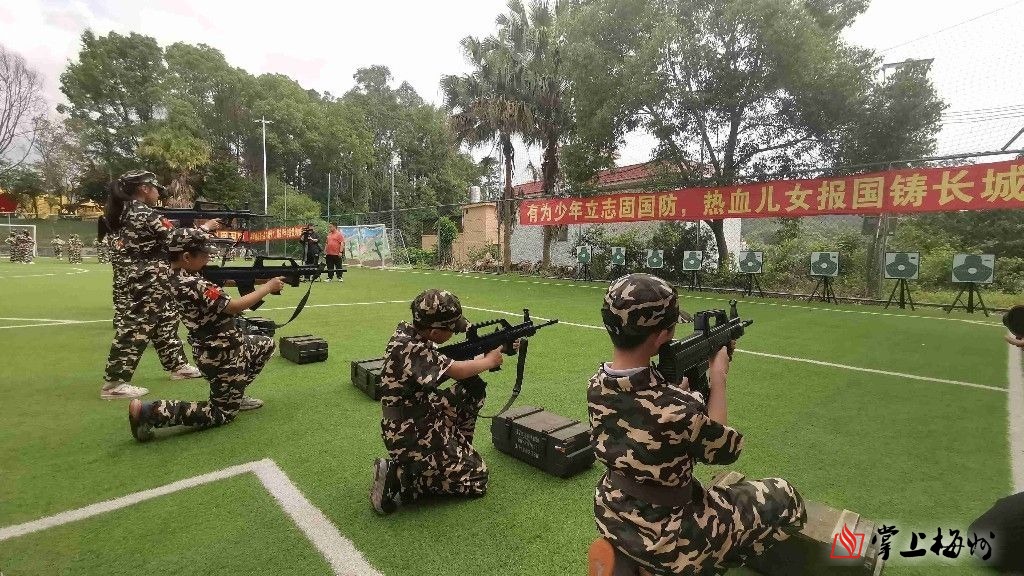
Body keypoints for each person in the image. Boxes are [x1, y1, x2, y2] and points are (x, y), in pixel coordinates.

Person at [587, 274, 806, 576]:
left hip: (613, 511)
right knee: (786, 497)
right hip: (669, 537)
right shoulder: (678, 407)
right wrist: (719, 379)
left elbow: (645, 411)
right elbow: (725, 450)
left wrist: (679, 394)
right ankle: (699, 563)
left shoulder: (597, 385)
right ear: (662, 336)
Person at [127, 228, 280, 442]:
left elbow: (213, 291)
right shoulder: (196, 284)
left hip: (214, 348)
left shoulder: (175, 277)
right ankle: (151, 412)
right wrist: (268, 287)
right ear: (186, 257)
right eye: (204, 254)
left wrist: (248, 280)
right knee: (222, 414)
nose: (208, 257)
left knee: (265, 344)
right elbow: (234, 306)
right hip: (223, 354)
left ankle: (235, 393)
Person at [370, 289, 502, 515]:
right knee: (477, 478)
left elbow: (448, 367)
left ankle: (451, 454)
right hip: (409, 433)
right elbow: (458, 370)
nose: (455, 331)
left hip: (419, 415)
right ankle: (401, 477)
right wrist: (490, 361)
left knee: (469, 391)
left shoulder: (411, 335)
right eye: (452, 329)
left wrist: (499, 347)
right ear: (434, 331)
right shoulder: (411, 348)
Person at [99, 169, 216, 400]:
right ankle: (114, 383)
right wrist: (205, 228)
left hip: (146, 273)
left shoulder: (124, 211)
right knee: (137, 326)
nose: (158, 193)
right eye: (155, 188)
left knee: (166, 319)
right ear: (144, 188)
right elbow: (176, 238)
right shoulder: (143, 212)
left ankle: (177, 365)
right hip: (149, 276)